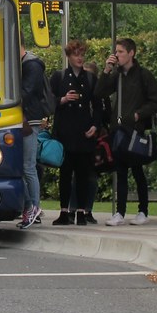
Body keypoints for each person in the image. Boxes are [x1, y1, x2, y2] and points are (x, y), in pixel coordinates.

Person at [96, 38, 157, 226]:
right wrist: (106, 70)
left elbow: (156, 102)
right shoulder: (116, 75)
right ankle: (120, 212)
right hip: (118, 130)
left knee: (137, 169)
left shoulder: (144, 75)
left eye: (121, 52)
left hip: (135, 129)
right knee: (121, 170)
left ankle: (143, 210)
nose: (117, 55)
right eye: (116, 52)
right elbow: (99, 93)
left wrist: (138, 115)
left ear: (131, 53)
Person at [49, 40, 103, 226]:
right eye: (75, 55)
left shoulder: (90, 79)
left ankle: (81, 210)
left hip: (83, 131)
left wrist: (95, 125)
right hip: (65, 131)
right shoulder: (59, 77)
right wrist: (62, 100)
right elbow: (48, 101)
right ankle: (65, 210)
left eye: (81, 54)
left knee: (83, 172)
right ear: (68, 57)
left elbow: (98, 105)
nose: (79, 58)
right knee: (65, 172)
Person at [67, 60, 104, 224]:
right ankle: (73, 208)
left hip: (93, 140)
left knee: (90, 177)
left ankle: (86, 209)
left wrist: (96, 126)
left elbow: (103, 113)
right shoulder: (74, 92)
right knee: (77, 176)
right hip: (77, 138)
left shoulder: (97, 95)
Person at [17, 31, 46, 228]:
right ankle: (30, 206)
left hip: (30, 119)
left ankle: (33, 206)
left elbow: (26, 92)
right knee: (21, 167)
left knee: (27, 166)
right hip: (23, 118)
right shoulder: (22, 64)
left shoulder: (31, 65)